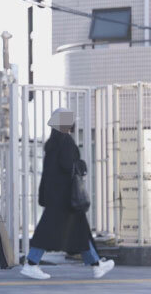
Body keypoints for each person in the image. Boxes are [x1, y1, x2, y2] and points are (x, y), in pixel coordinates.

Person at [21, 108, 115, 280]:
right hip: (64, 197)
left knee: (79, 231)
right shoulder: (65, 141)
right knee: (49, 231)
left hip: (57, 196)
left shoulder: (52, 142)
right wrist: (81, 164)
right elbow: (67, 166)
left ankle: (96, 264)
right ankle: (31, 264)